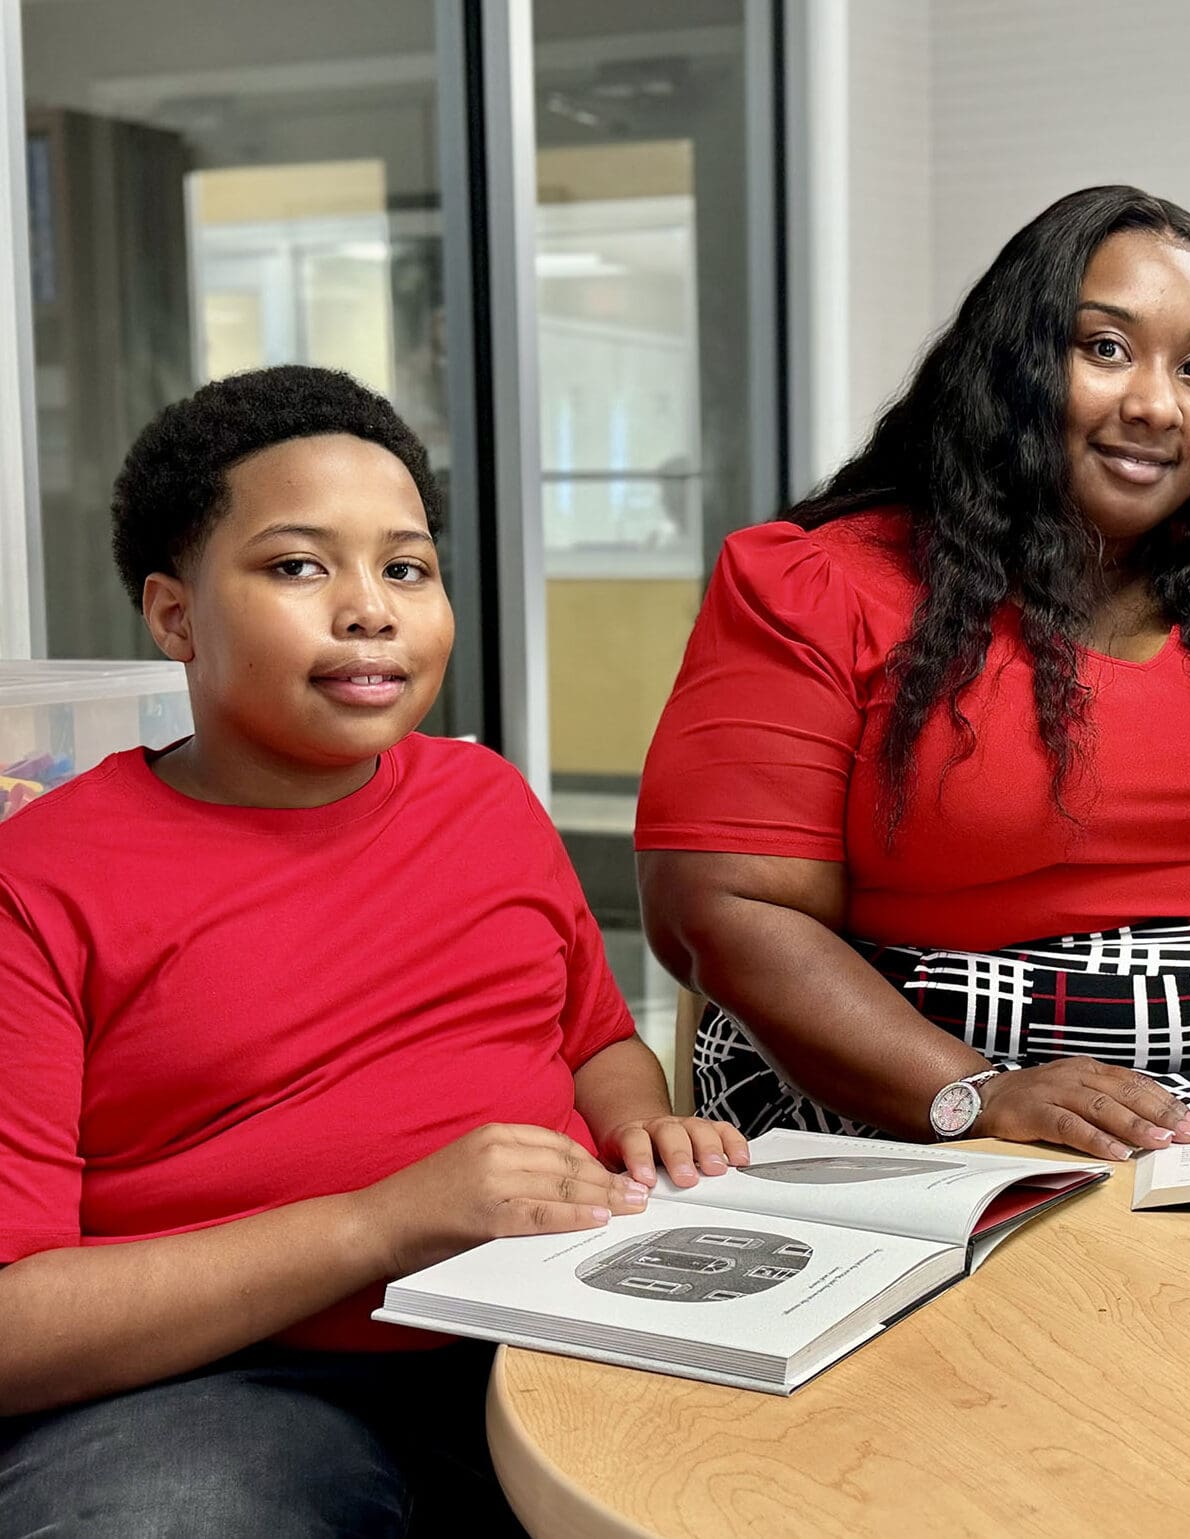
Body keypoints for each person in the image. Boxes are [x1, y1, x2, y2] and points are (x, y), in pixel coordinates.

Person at [635, 185, 1190, 1165]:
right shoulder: (815, 583)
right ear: (1009, 366)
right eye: (1105, 349)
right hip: (921, 1078)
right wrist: (970, 1095)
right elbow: (727, 907)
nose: (1156, 404)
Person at [0, 366, 748, 1536]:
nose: (370, 610)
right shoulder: (39, 883)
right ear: (173, 614)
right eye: (298, 566)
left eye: (406, 567)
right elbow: (13, 1328)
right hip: (221, 1385)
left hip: (549, 1316)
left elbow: (594, 1038)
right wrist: (381, 1222)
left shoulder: (484, 798)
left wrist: (634, 1120)